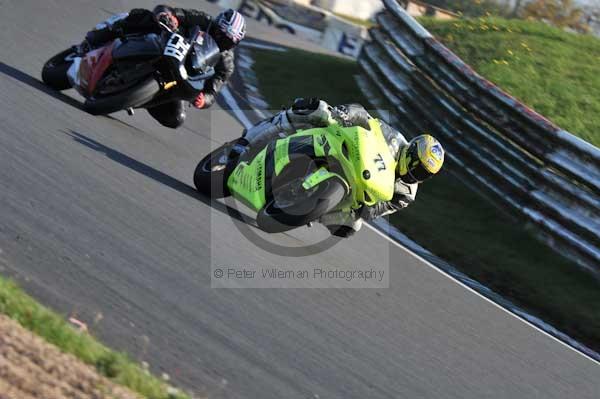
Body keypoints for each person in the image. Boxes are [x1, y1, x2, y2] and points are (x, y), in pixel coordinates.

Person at [235, 98, 445, 237]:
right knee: (317, 109)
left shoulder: (406, 193)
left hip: (354, 193)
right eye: (418, 167)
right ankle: (249, 141)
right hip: (344, 152)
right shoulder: (394, 139)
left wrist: (359, 208)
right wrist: (346, 114)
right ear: (411, 152)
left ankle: (306, 209)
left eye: (424, 174)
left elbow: (377, 210)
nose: (417, 174)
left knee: (351, 227)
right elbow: (367, 119)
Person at [84, 5, 246, 128]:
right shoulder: (203, 20)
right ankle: (103, 34)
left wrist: (204, 100)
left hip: (181, 76)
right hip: (163, 45)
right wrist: (170, 16)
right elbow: (175, 12)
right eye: (220, 33)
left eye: (227, 40)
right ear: (216, 24)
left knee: (176, 119)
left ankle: (137, 97)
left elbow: (214, 88)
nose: (220, 39)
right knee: (146, 18)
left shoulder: (226, 63)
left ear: (234, 44)